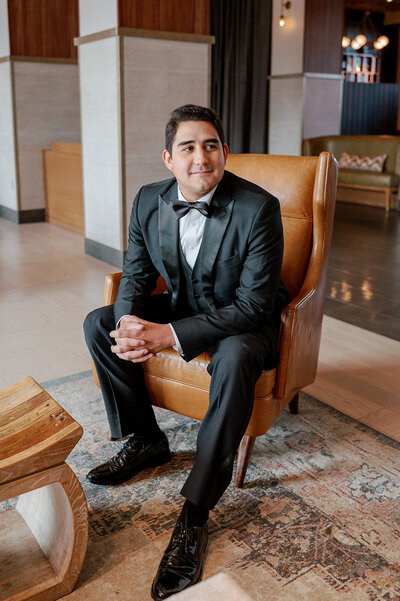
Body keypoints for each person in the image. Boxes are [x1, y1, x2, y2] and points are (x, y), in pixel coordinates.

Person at [83, 104, 289, 600]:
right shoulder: (148, 199)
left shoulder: (258, 207)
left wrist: (168, 334)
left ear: (224, 152)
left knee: (237, 358)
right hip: (184, 304)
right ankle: (146, 439)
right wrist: (132, 322)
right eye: (188, 148)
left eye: (211, 145)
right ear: (168, 159)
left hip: (245, 321)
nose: (202, 157)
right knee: (99, 323)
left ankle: (195, 514)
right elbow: (134, 275)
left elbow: (254, 304)